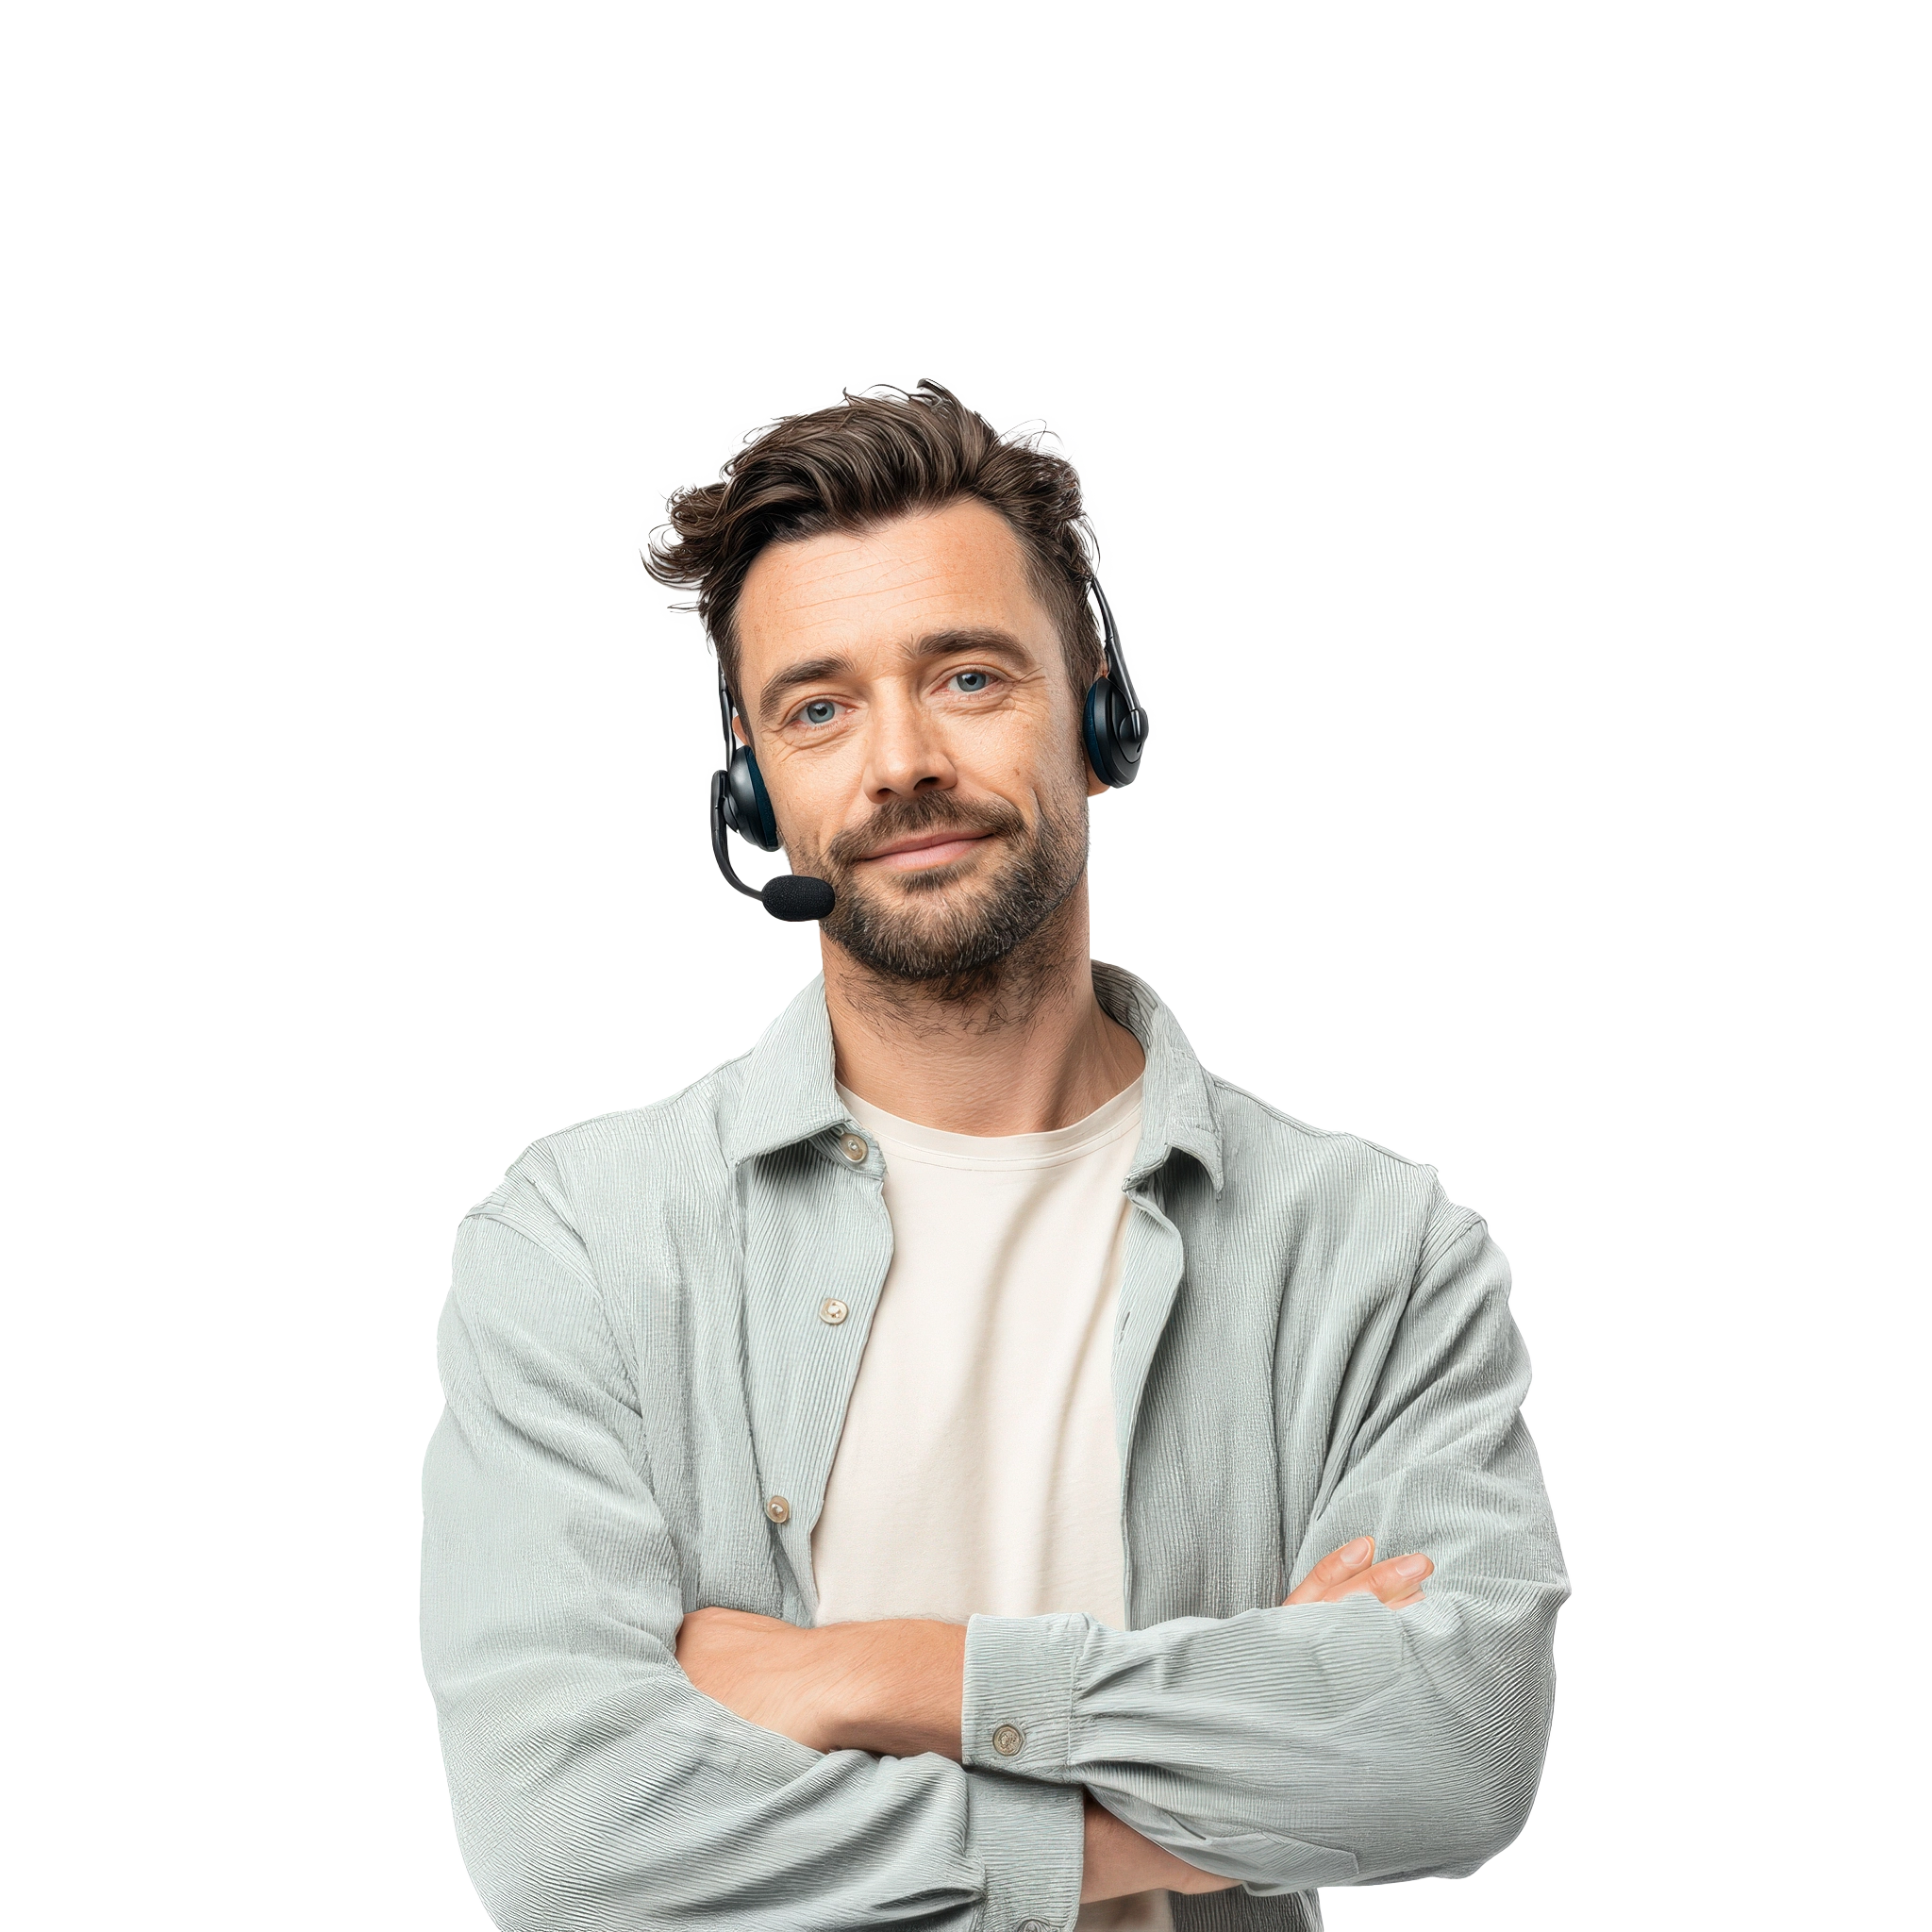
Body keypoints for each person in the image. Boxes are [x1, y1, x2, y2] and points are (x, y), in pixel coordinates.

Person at [416, 380, 1572, 1932]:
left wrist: (869, 1678)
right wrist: (1164, 1818)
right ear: (753, 787)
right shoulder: (578, 1244)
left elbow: (1447, 1754)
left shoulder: (1370, 1252)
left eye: (966, 676)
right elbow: (571, 1842)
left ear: (1100, 716)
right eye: (817, 708)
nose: (897, 762)